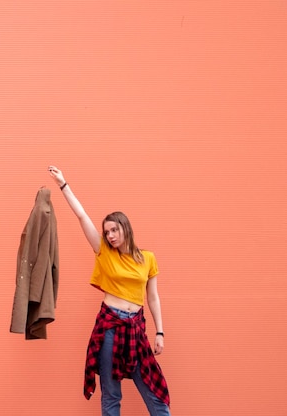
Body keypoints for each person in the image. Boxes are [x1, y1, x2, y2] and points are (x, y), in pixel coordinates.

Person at [48, 165, 171, 416]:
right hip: (110, 327)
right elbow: (82, 216)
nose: (111, 236)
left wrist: (159, 331)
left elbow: (153, 298)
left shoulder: (148, 258)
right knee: (111, 393)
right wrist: (63, 184)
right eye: (107, 232)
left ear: (126, 228)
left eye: (115, 230)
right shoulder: (104, 253)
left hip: (136, 328)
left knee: (153, 390)